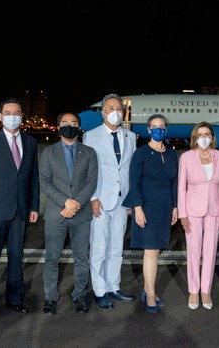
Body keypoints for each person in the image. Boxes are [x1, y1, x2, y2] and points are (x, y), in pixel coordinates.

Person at [0, 97, 40, 319]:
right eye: (8, 112)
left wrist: (34, 206)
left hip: (20, 211)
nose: (13, 116)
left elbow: (33, 179)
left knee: (15, 257)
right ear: (0, 116)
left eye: (17, 112)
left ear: (22, 116)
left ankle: (15, 299)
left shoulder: (30, 142)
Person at [40, 112, 98, 315]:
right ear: (58, 127)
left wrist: (77, 204)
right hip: (57, 214)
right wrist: (65, 202)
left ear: (79, 127)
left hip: (81, 216)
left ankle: (79, 295)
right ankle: (50, 298)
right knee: (52, 259)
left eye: (73, 123)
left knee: (82, 258)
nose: (69, 126)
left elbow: (91, 181)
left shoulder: (89, 152)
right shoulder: (48, 152)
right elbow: (45, 182)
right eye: (65, 122)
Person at [83, 93, 137, 309]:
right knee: (99, 247)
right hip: (101, 200)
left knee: (116, 246)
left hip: (123, 201)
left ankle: (113, 286)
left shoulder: (130, 137)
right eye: (111, 108)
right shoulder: (91, 136)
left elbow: (130, 170)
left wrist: (132, 199)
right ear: (104, 112)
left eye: (119, 108)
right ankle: (99, 290)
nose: (115, 112)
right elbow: (89, 169)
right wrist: (93, 197)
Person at [122, 114, 178, 313]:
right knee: (151, 251)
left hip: (164, 207)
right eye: (154, 127)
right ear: (148, 130)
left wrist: (175, 206)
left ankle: (147, 289)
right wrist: (137, 208)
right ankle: (151, 294)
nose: (159, 130)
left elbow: (174, 183)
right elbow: (134, 182)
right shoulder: (141, 153)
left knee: (157, 250)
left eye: (162, 126)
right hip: (146, 206)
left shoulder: (172, 155)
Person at [177, 122, 219, 310]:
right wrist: (182, 214)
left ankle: (205, 290)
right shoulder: (186, 157)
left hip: (215, 210)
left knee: (210, 250)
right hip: (192, 210)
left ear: (212, 137)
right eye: (200, 134)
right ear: (195, 138)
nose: (204, 137)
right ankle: (193, 290)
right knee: (193, 251)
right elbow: (181, 187)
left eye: (207, 134)